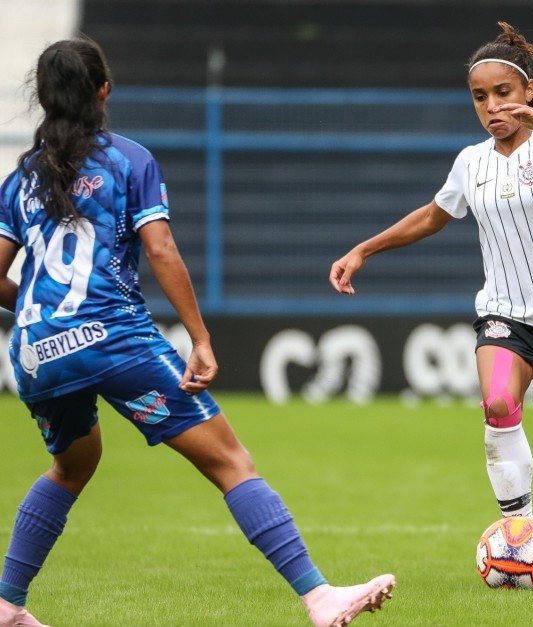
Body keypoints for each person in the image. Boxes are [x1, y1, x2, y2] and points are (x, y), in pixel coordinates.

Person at [0, 37, 394, 627]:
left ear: (45, 98)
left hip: (34, 353)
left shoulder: (21, 178)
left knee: (72, 466)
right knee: (232, 461)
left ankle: (7, 605)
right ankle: (319, 597)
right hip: (111, 338)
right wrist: (201, 339)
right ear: (104, 90)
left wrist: (38, 308)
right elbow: (160, 250)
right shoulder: (128, 161)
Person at [329, 21, 533, 588]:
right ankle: (520, 533)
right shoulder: (471, 163)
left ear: (528, 90)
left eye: (502, 93)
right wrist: (364, 249)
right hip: (505, 314)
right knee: (498, 405)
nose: (491, 106)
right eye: (479, 97)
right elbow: (434, 214)